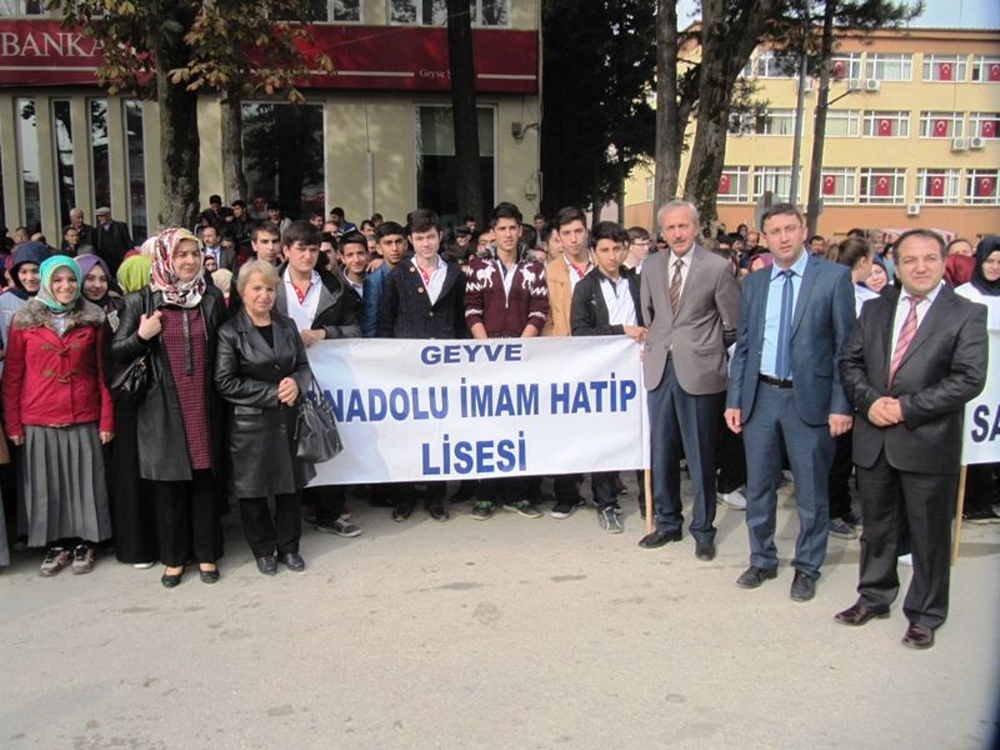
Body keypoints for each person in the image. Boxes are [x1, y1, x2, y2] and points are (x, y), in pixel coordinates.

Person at [835, 229, 987, 649]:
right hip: (875, 437)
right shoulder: (875, 309)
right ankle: (874, 596)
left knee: (928, 534)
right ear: (896, 266)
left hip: (927, 441)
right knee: (877, 528)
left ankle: (925, 613)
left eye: (929, 259)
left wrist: (906, 408)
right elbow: (850, 362)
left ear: (943, 263)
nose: (920, 267)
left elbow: (968, 379)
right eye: (910, 260)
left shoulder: (966, 314)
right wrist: (870, 402)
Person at [725, 203, 856, 601]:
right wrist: (735, 399)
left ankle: (807, 566)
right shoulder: (755, 283)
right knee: (759, 486)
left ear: (803, 231)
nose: (782, 237)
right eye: (774, 231)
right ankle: (762, 558)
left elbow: (845, 349)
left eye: (789, 228)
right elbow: (744, 345)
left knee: (811, 491)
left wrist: (841, 404)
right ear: (764, 238)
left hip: (810, 399)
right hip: (762, 397)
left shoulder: (833, 278)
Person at [112, 228, 228, 588]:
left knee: (204, 481)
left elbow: (225, 347)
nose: (190, 261)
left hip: (203, 404)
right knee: (168, 487)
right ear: (164, 258)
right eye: (181, 254)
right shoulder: (140, 301)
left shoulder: (210, 298)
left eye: (194, 253)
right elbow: (116, 352)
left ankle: (207, 553)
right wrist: (141, 336)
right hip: (160, 406)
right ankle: (174, 558)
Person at [638, 200, 740, 560]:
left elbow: (733, 322)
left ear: (696, 228)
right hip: (659, 370)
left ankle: (703, 529)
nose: (677, 233)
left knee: (700, 454)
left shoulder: (716, 267)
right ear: (662, 232)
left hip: (700, 372)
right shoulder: (651, 266)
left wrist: (706, 349)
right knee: (662, 451)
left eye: (683, 226)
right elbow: (649, 313)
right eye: (670, 227)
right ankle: (668, 522)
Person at [2, 256, 113, 576]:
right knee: (47, 485)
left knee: (85, 483)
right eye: (58, 280)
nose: (66, 286)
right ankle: (57, 544)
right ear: (47, 283)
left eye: (71, 280)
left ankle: (85, 542)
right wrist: (13, 423)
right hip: (38, 415)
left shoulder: (93, 319)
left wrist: (107, 419)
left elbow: (104, 373)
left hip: (83, 413)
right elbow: (12, 375)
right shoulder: (24, 320)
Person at [215, 260, 315, 575]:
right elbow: (225, 382)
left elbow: (303, 366)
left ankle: (289, 547)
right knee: (253, 491)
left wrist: (296, 383)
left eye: (270, 289)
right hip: (249, 425)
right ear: (242, 291)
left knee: (290, 489)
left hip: (288, 420)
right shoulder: (230, 332)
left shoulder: (286, 325)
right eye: (256, 288)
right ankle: (263, 549)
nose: (264, 295)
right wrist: (273, 392)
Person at [378, 208, 467, 522]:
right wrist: (386, 361)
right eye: (419, 238)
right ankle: (404, 496)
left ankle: (435, 496)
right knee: (406, 432)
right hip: (407, 365)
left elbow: (461, 320)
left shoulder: (454, 273)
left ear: (440, 236)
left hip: (444, 364)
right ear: (410, 240)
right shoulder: (398, 275)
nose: (426, 243)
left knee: (437, 430)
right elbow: (386, 320)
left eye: (430, 236)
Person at [464, 202, 549, 520]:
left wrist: (519, 348)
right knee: (488, 426)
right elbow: (471, 308)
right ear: (493, 232)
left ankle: (518, 494)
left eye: (513, 228)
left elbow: (539, 309)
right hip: (486, 356)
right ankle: (486, 495)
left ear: (521, 230)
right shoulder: (478, 266)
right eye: (502, 228)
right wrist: (488, 349)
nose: (508, 234)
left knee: (518, 425)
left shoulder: (534, 268)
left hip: (523, 355)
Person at [570, 221, 646, 533]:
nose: (612, 256)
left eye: (617, 249)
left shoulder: (638, 283)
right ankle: (606, 503)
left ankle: (650, 502)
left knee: (644, 435)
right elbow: (580, 331)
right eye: (605, 250)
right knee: (605, 440)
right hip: (603, 376)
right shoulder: (585, 288)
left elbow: (653, 319)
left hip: (639, 371)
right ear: (594, 252)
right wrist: (620, 331)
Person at [955, 236, 1000, 524]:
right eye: (990, 261)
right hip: (972, 381)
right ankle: (967, 500)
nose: (995, 267)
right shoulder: (964, 294)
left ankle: (988, 498)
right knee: (969, 442)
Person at [362, 221, 408, 338]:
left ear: (406, 244)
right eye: (388, 243)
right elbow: (370, 324)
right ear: (379, 248)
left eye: (398, 242)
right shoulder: (373, 281)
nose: (394, 248)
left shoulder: (414, 271)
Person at [0, 241, 50, 345]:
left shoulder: (57, 300)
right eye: (23, 272)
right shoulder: (4, 301)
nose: (30, 278)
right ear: (15, 274)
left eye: (36, 271)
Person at [93, 207, 133, 277]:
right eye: (98, 216)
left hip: (119, 260)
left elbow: (128, 243)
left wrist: (130, 257)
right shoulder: (97, 230)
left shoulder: (120, 227)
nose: (100, 218)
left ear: (108, 216)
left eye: (102, 216)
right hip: (106, 262)